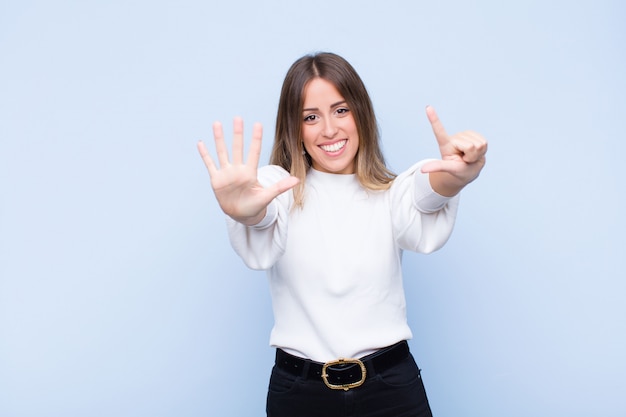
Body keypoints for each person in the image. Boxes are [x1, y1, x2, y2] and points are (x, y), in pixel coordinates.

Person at [197, 52, 487, 417]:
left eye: (341, 110)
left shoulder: (392, 192)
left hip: (391, 391)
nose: (329, 130)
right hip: (300, 394)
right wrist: (246, 209)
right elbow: (261, 212)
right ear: (294, 128)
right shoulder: (278, 187)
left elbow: (425, 194)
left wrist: (455, 177)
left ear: (361, 115)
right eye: (310, 117)